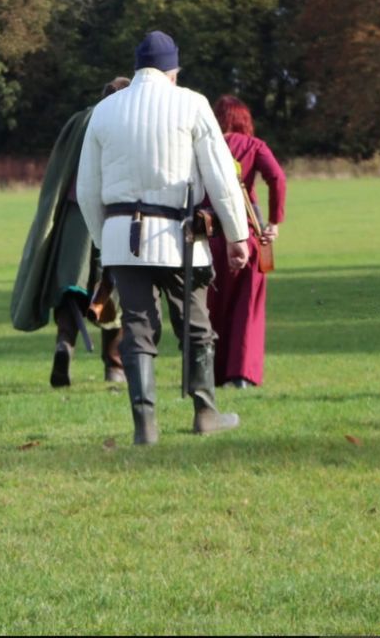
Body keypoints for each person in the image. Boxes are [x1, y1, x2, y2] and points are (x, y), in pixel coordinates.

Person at [76, 30, 250, 445]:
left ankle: (145, 428)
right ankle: (205, 413)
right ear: (173, 70)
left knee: (136, 329)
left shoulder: (104, 111)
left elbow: (86, 188)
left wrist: (106, 240)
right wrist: (238, 234)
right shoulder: (192, 103)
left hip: (122, 239)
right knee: (195, 325)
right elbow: (221, 176)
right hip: (180, 239)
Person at [11, 77, 130, 388]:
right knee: (115, 285)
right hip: (113, 214)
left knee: (72, 286)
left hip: (74, 218)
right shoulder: (125, 118)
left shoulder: (79, 121)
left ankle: (65, 343)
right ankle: (115, 365)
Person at [206, 95, 286, 388]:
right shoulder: (254, 146)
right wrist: (274, 221)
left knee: (213, 308)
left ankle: (212, 372)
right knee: (248, 307)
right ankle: (241, 373)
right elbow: (276, 177)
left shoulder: (204, 146)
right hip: (248, 233)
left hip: (211, 235)